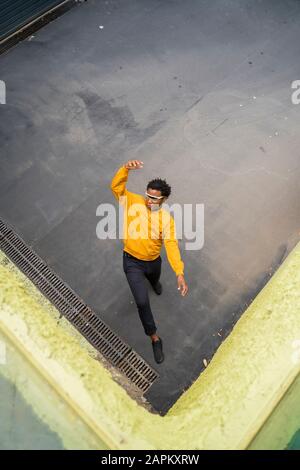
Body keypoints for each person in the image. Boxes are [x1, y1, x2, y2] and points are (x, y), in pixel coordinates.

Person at [110, 160, 188, 364]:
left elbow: (171, 245)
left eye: (154, 198)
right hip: (132, 263)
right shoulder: (133, 202)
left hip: (153, 262)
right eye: (148, 195)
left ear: (164, 199)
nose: (149, 200)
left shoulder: (166, 220)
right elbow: (116, 187)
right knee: (142, 302)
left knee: (155, 280)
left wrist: (179, 272)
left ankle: (155, 282)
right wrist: (125, 169)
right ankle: (154, 337)